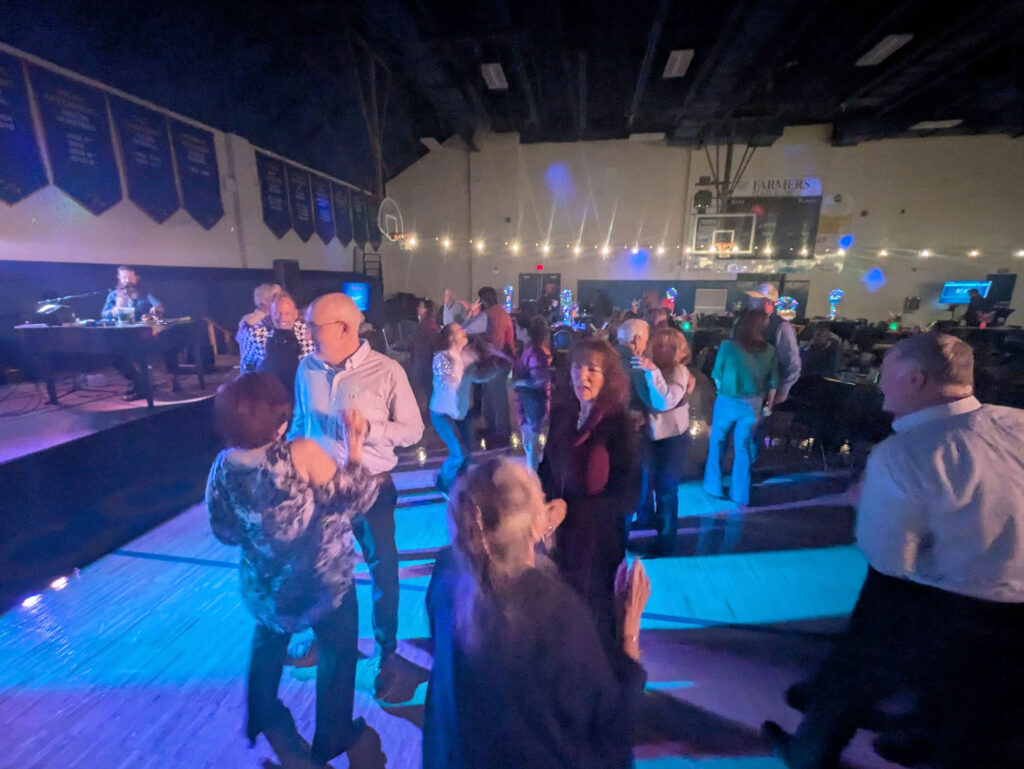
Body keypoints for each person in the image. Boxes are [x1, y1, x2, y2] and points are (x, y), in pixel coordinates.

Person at [764, 332, 1024, 769]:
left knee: (851, 677)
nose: (879, 384)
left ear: (917, 379)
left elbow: (890, 560)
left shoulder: (904, 454)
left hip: (940, 601)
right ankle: (919, 738)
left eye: (886, 375)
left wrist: (866, 503)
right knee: (979, 714)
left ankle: (808, 755)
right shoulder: (1016, 422)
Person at [423, 458, 649, 769]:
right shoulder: (556, 611)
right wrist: (629, 631)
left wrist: (530, 528)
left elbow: (496, 562)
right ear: (532, 525)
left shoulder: (446, 574)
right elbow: (611, 724)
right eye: (541, 499)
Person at [205, 373, 379, 766]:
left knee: (267, 646)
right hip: (322, 581)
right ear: (280, 420)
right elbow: (353, 500)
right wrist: (355, 447)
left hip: (266, 585)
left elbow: (224, 531)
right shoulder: (299, 452)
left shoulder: (223, 466)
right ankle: (332, 735)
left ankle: (260, 714)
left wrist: (265, 539)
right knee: (337, 652)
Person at [290, 293, 424, 701]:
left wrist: (372, 429)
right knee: (320, 569)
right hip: (320, 490)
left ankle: (386, 650)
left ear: (345, 329)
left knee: (383, 571)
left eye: (314, 327)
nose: (307, 334)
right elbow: (301, 420)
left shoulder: (387, 372)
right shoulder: (306, 368)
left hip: (372, 489)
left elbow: (414, 431)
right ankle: (327, 639)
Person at [539, 339, 637, 657]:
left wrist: (572, 509)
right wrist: (541, 506)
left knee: (593, 616)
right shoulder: (562, 415)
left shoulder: (618, 425)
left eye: (592, 369)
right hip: (559, 537)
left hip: (598, 542)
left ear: (607, 376)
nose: (583, 376)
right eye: (577, 367)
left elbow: (628, 494)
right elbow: (547, 469)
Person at [703, 310, 778, 506]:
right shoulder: (769, 350)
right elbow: (773, 381)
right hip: (753, 403)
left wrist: (724, 390)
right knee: (743, 447)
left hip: (728, 399)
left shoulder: (728, 346)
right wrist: (768, 405)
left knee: (717, 441)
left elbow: (717, 374)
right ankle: (740, 494)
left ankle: (713, 486)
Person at [632, 326, 695, 554]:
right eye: (658, 345)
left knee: (666, 488)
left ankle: (667, 539)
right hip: (651, 434)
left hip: (673, 438)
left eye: (669, 347)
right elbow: (637, 393)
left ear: (679, 351)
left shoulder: (678, 371)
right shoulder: (648, 366)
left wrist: (651, 371)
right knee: (645, 480)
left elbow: (663, 401)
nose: (662, 350)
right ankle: (646, 519)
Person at [430, 324, 498, 495]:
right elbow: (450, 381)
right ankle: (443, 481)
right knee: (458, 453)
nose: (465, 331)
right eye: (460, 330)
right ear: (451, 338)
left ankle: (459, 485)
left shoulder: (462, 356)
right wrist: (467, 361)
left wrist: (496, 365)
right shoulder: (441, 357)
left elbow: (478, 376)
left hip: (460, 413)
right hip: (442, 414)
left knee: (467, 453)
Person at [100, 266, 171, 400]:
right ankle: (140, 382)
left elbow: (159, 307)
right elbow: (104, 314)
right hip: (121, 336)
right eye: (123, 277)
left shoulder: (144, 293)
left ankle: (143, 387)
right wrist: (113, 311)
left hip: (143, 336)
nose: (127, 280)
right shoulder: (113, 295)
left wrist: (156, 309)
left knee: (140, 354)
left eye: (129, 277)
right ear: (119, 279)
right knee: (113, 357)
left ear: (136, 278)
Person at [463, 286, 516, 444]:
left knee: (497, 398)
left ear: (483, 300)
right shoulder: (493, 313)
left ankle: (502, 433)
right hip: (494, 361)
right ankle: (493, 429)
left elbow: (496, 344)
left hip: (498, 362)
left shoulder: (495, 315)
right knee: (490, 397)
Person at [239, 293, 314, 391]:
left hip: (301, 389)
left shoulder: (307, 332)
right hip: (268, 392)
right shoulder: (256, 334)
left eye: (287, 314)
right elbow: (247, 365)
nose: (282, 318)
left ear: (295, 314)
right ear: (271, 313)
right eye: (278, 313)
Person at [746, 283, 800, 404]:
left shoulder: (781, 327)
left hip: (768, 392)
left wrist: (783, 391)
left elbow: (792, 362)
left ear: (770, 303)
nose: (753, 302)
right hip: (746, 390)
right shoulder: (746, 322)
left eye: (758, 299)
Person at [514, 315, 552, 471]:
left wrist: (517, 383)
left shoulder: (535, 352)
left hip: (533, 402)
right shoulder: (531, 350)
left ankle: (534, 482)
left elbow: (539, 380)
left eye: (517, 328)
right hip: (529, 400)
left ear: (525, 331)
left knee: (531, 445)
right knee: (530, 444)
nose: (515, 332)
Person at [237, 282, 282, 347]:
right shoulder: (249, 320)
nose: (278, 300)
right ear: (263, 300)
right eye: (274, 297)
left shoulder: (278, 318)